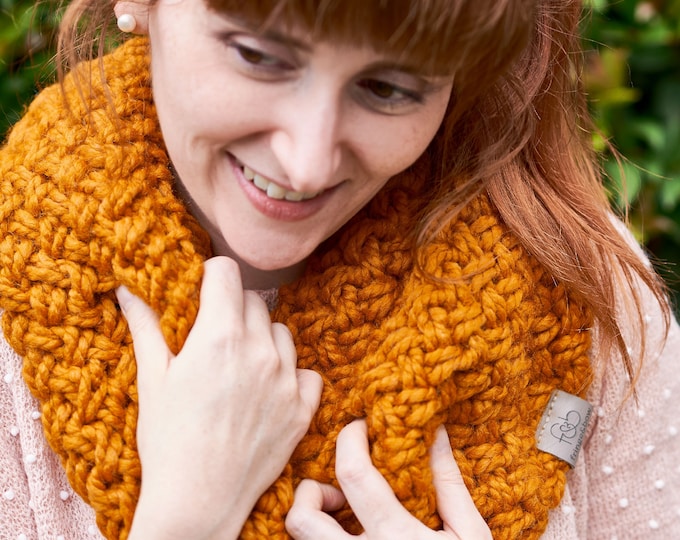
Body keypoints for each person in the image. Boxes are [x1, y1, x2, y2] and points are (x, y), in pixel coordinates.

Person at [0, 0, 678, 538]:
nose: (307, 161)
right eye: (259, 56)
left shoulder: (580, 287)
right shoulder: (18, 307)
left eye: (388, 89)